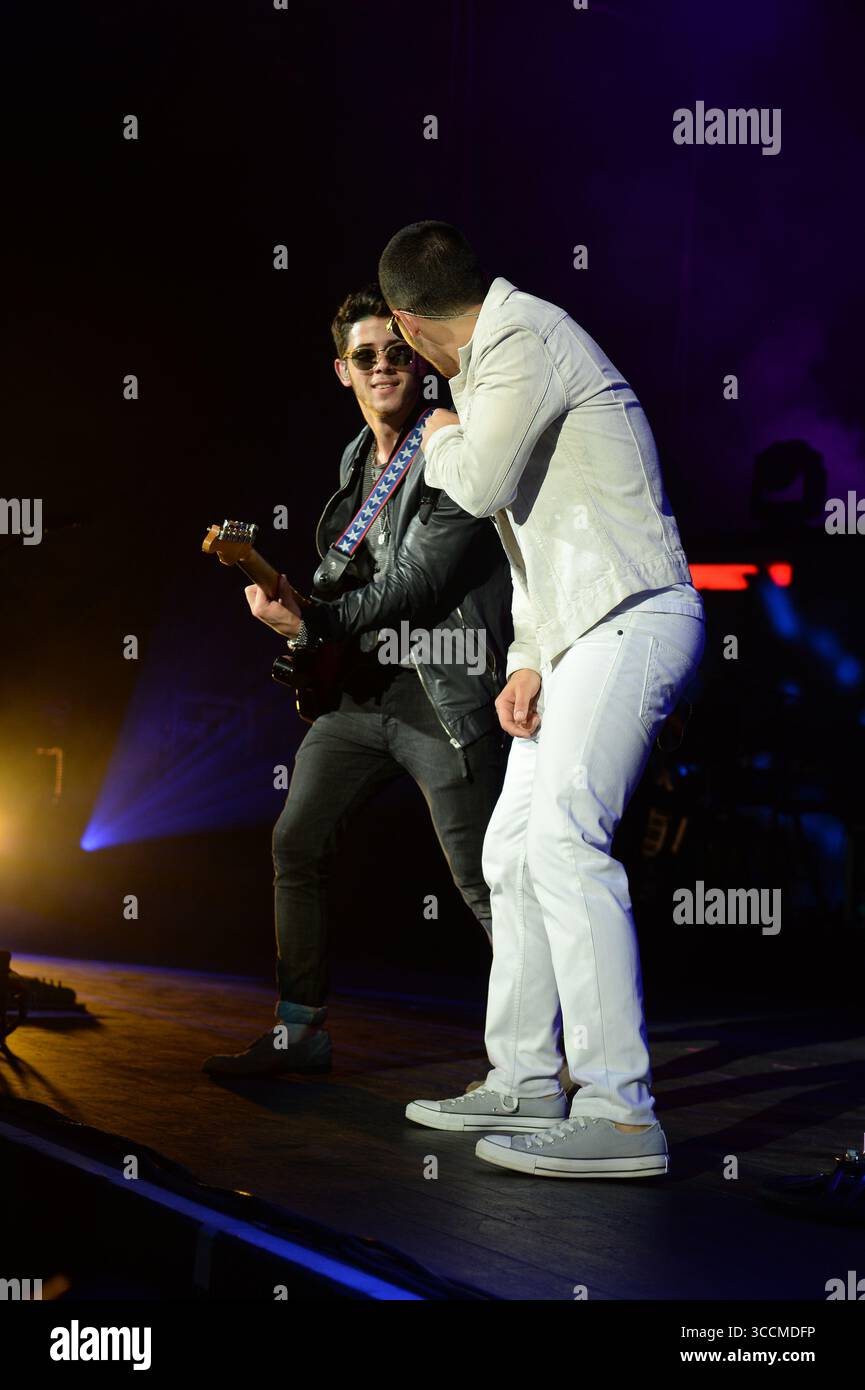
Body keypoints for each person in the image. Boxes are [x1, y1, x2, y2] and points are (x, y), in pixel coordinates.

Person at [379, 223, 705, 1177]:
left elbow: (479, 486)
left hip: (634, 614)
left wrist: (434, 435)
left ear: (406, 319)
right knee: (512, 849)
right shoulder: (493, 366)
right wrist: (525, 656)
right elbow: (536, 533)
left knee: (564, 838)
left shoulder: (522, 339)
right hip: (572, 636)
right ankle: (524, 1077)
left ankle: (619, 1114)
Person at [203, 284, 511, 1079]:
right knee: (296, 842)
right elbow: (350, 580)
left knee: (484, 882)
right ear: (342, 371)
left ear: (419, 361)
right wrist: (294, 605)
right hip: (363, 692)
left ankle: (558, 1056)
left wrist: (309, 626)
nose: (383, 368)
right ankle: (299, 1032)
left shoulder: (453, 441)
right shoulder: (355, 458)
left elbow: (415, 583)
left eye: (397, 353)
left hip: (441, 691)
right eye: (364, 357)